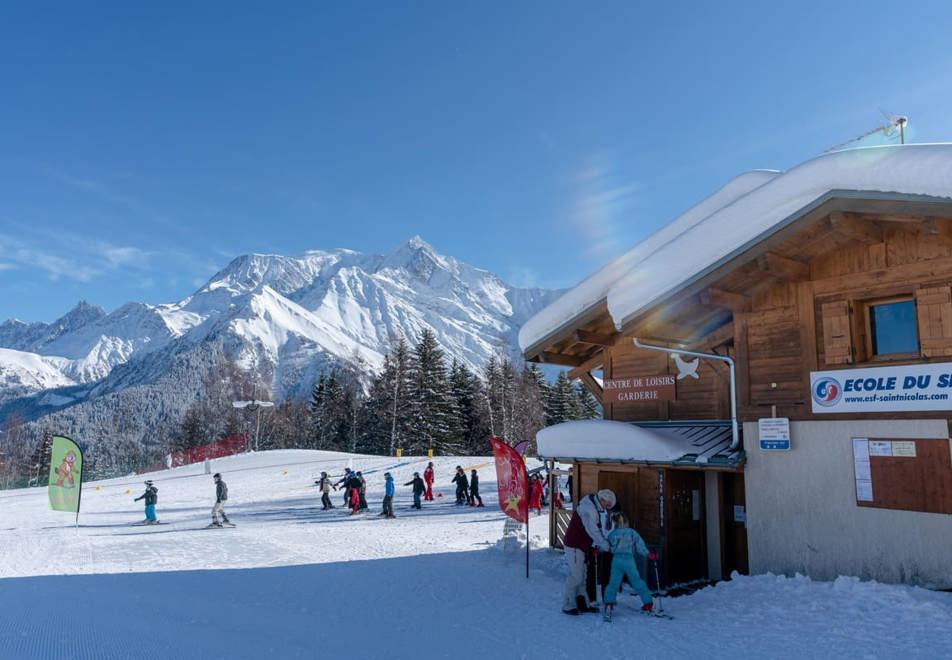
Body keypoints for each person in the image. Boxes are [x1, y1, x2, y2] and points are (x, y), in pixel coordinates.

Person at [561, 488, 616, 615]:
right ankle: (568, 604)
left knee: (583, 575)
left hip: (582, 546)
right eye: (606, 505)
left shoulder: (593, 506)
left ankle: (582, 603)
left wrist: (596, 545)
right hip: (574, 545)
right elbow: (593, 531)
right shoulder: (589, 509)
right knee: (576, 576)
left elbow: (594, 531)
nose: (606, 508)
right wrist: (605, 546)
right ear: (602, 499)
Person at [603, 512, 653, 619]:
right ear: (626, 522)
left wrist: (599, 550)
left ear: (615, 523)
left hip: (616, 560)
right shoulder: (632, 533)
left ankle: (609, 603)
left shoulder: (612, 534)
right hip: (629, 560)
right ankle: (647, 603)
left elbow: (607, 546)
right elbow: (640, 546)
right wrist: (649, 554)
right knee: (636, 581)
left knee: (613, 582)